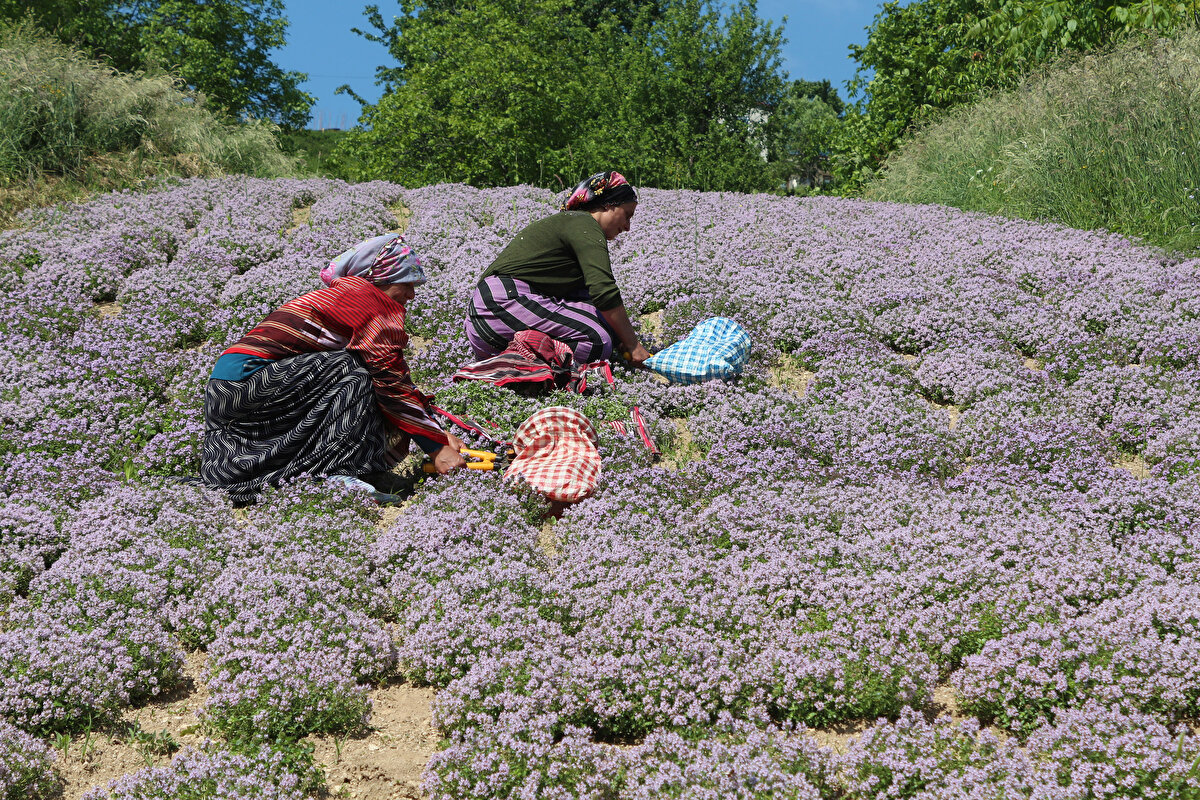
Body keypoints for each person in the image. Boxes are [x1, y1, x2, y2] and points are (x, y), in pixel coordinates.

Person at [201, 232, 466, 504]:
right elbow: (391, 382)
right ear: (381, 280)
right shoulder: (367, 301)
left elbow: (396, 378)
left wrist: (436, 433)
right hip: (248, 384)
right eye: (406, 284)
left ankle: (333, 471)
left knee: (361, 371)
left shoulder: (352, 294)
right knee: (356, 370)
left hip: (234, 388)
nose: (411, 294)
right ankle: (333, 473)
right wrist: (435, 448)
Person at [464, 171, 652, 367]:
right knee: (596, 341)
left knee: (604, 327)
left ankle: (521, 365)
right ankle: (532, 367)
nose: (628, 227)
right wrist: (632, 345)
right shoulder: (584, 223)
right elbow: (603, 291)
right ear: (608, 204)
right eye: (627, 215)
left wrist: (619, 339)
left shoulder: (574, 226)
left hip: (491, 319)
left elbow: (590, 302)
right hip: (501, 304)